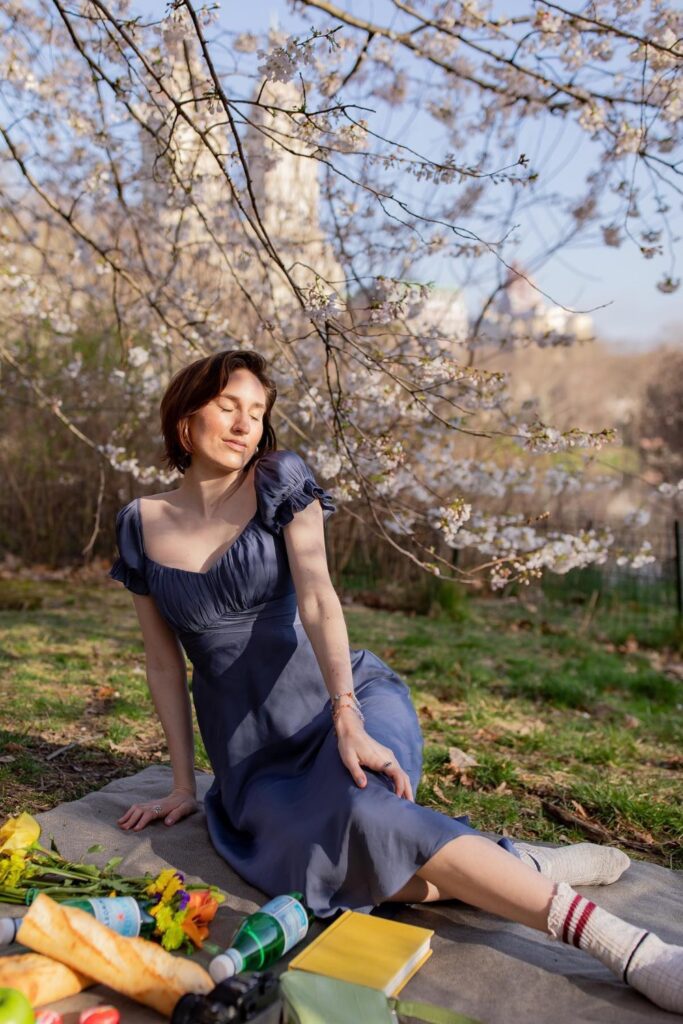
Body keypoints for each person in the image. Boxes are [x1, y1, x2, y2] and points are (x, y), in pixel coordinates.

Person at [109, 349, 682, 1014]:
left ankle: (627, 947)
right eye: (227, 407)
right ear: (184, 421)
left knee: (366, 813)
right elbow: (161, 662)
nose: (244, 425)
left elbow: (320, 598)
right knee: (305, 872)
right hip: (252, 755)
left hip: (342, 702)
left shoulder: (279, 480)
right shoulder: (139, 523)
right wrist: (183, 784)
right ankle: (512, 863)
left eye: (256, 413)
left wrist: (347, 716)